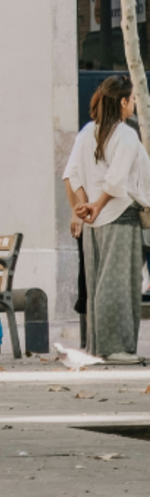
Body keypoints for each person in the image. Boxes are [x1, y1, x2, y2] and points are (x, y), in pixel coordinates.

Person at [63, 75, 150, 362]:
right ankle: (116, 349)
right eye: (133, 99)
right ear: (123, 102)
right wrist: (96, 205)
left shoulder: (88, 131)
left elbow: (71, 174)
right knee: (120, 283)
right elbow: (116, 182)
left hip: (94, 221)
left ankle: (99, 347)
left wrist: (84, 205)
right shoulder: (125, 134)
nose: (134, 104)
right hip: (120, 215)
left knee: (99, 281)